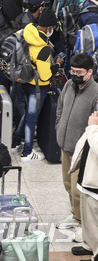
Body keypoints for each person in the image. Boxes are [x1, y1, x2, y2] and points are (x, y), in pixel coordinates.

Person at [54, 53, 98, 237]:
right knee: (67, 185)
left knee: (78, 190)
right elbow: (60, 108)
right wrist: (58, 128)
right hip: (65, 146)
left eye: (79, 72)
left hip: (82, 152)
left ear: (89, 72)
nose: (74, 75)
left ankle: (82, 225)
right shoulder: (68, 85)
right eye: (72, 70)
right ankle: (75, 216)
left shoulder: (96, 92)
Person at [12, 9, 62, 162]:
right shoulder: (42, 48)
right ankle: (27, 152)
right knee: (32, 118)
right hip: (38, 87)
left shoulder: (28, 32)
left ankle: (15, 143)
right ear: (48, 28)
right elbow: (46, 75)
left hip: (26, 81)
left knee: (29, 114)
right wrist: (57, 65)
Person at [68, 111, 98, 260]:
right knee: (88, 219)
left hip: (96, 184)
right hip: (88, 178)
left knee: (95, 220)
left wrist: (92, 127)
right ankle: (89, 245)